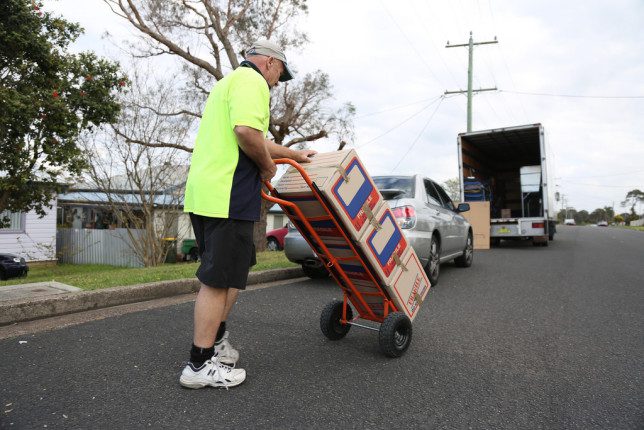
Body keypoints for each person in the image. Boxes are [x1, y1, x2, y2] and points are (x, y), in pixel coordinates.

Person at [179, 39, 316, 389]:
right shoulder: (253, 82)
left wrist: (293, 154)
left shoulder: (227, 83)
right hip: (228, 193)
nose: (276, 83)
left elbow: (250, 133)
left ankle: (216, 343)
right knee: (218, 279)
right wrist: (269, 167)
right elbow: (245, 133)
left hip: (206, 193)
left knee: (232, 273)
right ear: (270, 63)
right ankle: (199, 364)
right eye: (279, 75)